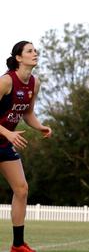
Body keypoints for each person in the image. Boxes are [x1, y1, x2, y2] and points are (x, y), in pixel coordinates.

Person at [1, 41, 53, 252]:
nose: (35, 53)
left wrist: (40, 126)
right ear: (19, 58)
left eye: (35, 50)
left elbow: (27, 112)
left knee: (21, 190)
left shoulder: (35, 83)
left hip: (4, 142)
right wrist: (7, 132)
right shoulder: (6, 82)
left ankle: (18, 245)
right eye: (30, 51)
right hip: (6, 136)